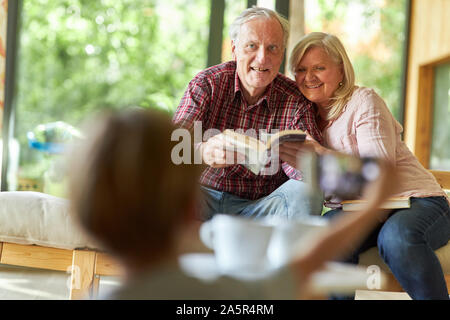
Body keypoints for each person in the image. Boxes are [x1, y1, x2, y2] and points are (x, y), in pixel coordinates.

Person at [67, 107, 396, 299]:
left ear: (86, 218)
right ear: (187, 210)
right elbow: (304, 267)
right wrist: (372, 205)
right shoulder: (223, 296)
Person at [282, 31, 450, 300]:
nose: (308, 77)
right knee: (324, 236)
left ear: (340, 70)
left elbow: (380, 173)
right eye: (300, 70)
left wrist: (322, 153)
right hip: (360, 209)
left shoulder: (363, 102)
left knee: (395, 239)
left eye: (319, 68)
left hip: (415, 200)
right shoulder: (305, 118)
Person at [173, 7, 323, 220]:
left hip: (260, 208)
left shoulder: (295, 100)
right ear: (234, 49)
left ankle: (288, 253)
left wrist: (304, 164)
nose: (262, 59)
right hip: (200, 200)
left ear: (282, 53)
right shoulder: (207, 84)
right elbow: (171, 151)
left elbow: (306, 173)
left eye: (272, 48)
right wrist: (203, 152)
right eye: (252, 46)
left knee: (308, 191)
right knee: (165, 189)